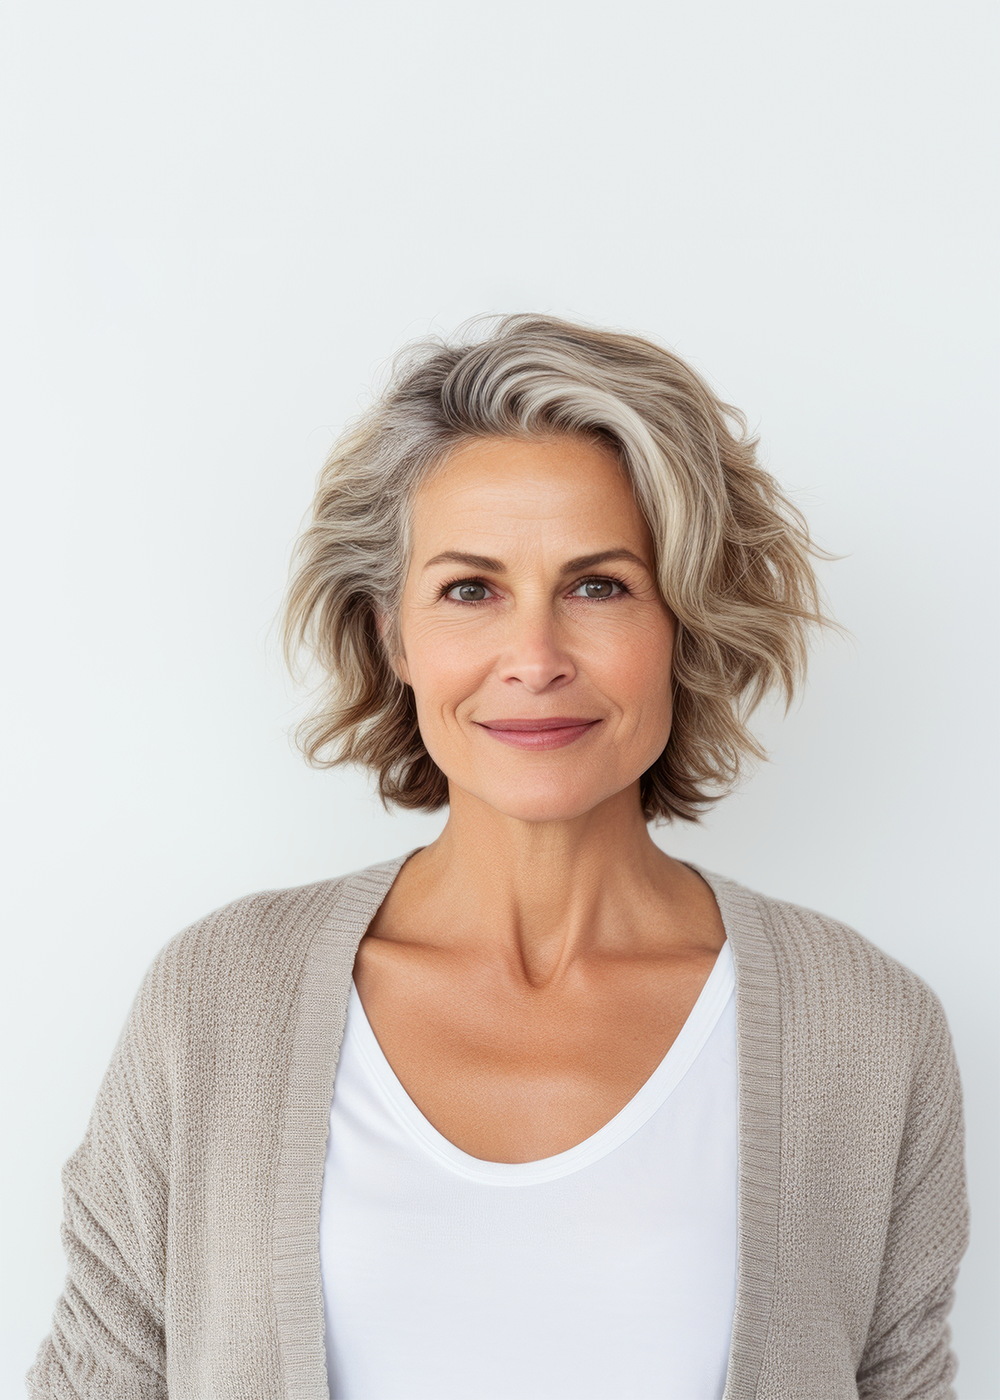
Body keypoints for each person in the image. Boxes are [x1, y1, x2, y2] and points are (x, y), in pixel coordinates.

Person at [27, 315, 968, 1400]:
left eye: (599, 584)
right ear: (393, 633)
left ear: (684, 620)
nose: (534, 658)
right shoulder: (217, 998)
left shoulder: (864, 1026)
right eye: (470, 588)